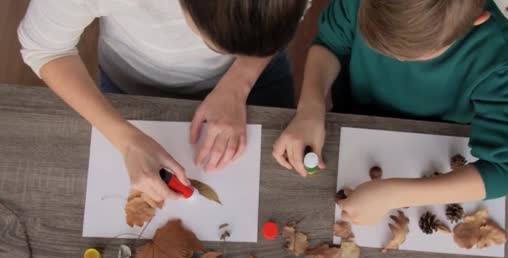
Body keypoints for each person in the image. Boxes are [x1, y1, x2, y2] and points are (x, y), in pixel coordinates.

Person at [18, 0, 308, 205]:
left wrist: (240, 80)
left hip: (259, 75)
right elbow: (45, 49)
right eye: (217, 45)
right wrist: (128, 142)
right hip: (133, 84)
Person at [273, 0, 508, 225]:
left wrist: (394, 195)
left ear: (476, 19)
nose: (396, 60)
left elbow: (504, 170)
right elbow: (330, 43)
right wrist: (310, 107)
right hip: (355, 119)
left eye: (414, 55)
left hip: (436, 141)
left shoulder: (493, 52)